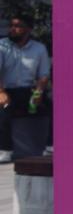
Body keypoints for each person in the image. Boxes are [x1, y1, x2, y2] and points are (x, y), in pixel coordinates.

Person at [0, 14, 50, 162]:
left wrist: (38, 92)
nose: (12, 29)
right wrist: (1, 92)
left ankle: (50, 146)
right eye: (11, 26)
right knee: (3, 109)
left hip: (29, 90)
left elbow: (43, 74)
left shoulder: (39, 48)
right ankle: (5, 150)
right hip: (7, 90)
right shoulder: (2, 46)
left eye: (18, 26)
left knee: (53, 104)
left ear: (29, 29)